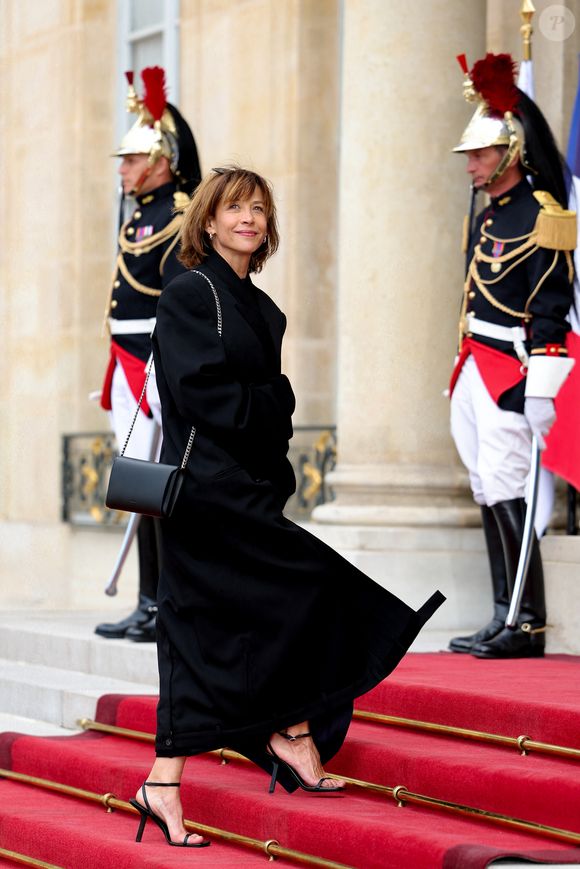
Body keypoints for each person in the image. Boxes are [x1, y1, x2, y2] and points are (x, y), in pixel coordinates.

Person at [127, 166, 444, 847]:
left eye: (260, 209)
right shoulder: (189, 292)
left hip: (248, 491)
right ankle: (282, 734)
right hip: (205, 496)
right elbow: (202, 393)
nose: (250, 218)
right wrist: (276, 402)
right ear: (208, 222)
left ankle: (198, 768)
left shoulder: (261, 308)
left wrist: (273, 413)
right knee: (286, 597)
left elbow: (260, 400)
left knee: (216, 628)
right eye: (236, 208)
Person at [448, 54, 576, 659]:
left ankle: (526, 622)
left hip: (514, 369)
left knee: (507, 482)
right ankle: (503, 611)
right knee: (485, 483)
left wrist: (544, 386)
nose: (470, 163)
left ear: (513, 151)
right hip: (475, 361)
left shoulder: (544, 217)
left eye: (480, 153)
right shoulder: (492, 212)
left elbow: (551, 305)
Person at [95, 67, 201, 643]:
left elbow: (178, 301)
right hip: (125, 355)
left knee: (159, 485)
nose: (123, 169)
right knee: (142, 485)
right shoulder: (139, 213)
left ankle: (164, 605)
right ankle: (146, 602)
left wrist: (166, 363)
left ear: (161, 161)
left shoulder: (179, 214)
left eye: (132, 161)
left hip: (154, 359)